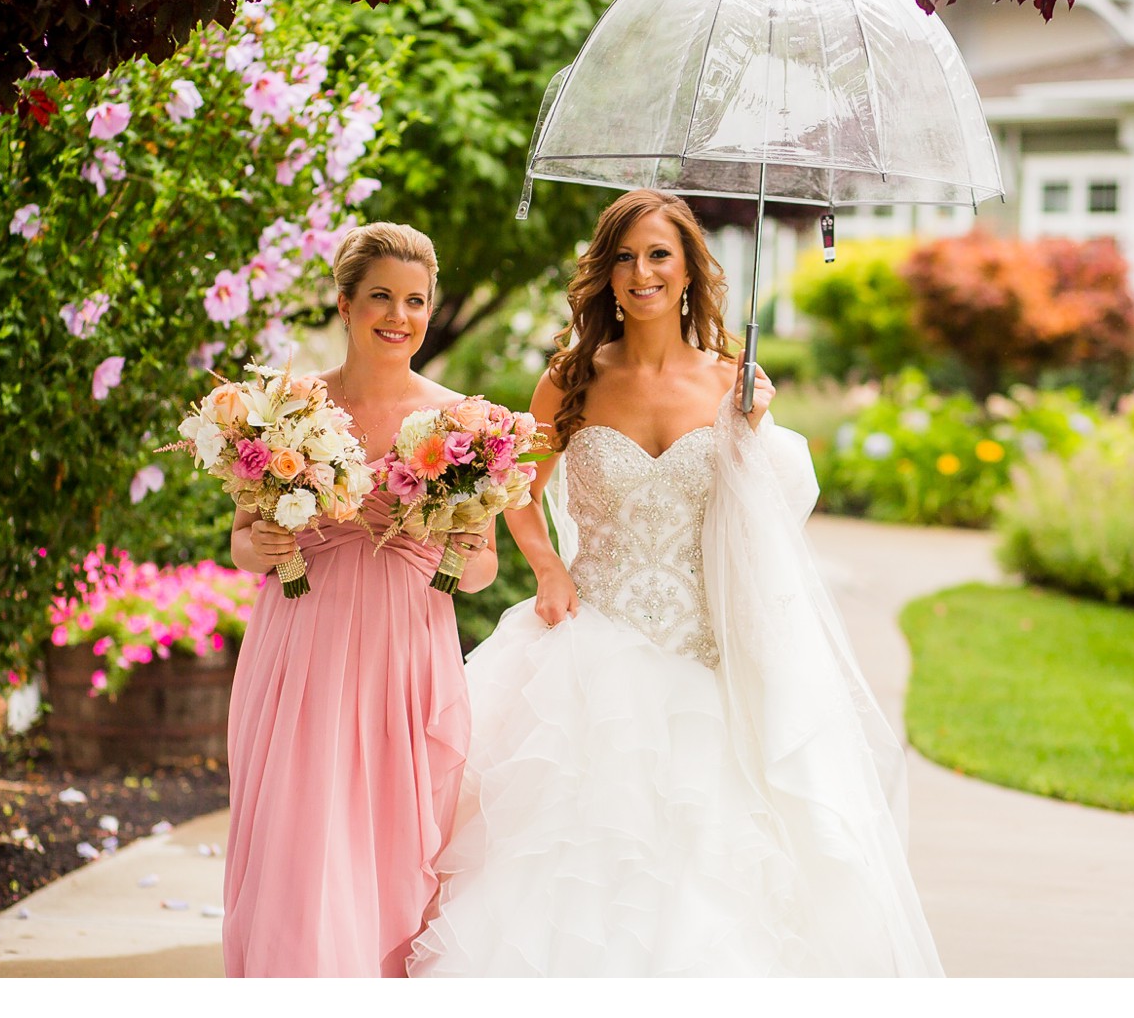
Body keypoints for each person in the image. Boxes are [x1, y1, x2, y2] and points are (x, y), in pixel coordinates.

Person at [408, 189, 944, 977]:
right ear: (606, 273)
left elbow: (768, 524)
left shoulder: (736, 381)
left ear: (690, 268)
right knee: (567, 861)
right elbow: (515, 486)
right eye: (624, 256)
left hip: (705, 655)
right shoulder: (571, 377)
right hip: (587, 646)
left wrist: (754, 434)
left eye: (659, 253)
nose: (640, 271)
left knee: (713, 870)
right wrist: (548, 564)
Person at [222, 221, 498, 977]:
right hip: (303, 638)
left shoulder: (463, 422)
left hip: (405, 649)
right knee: (300, 829)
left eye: (415, 300)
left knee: (395, 837)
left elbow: (480, 571)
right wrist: (266, 547)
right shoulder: (288, 411)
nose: (399, 316)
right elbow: (242, 541)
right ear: (344, 304)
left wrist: (461, 548)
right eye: (381, 296)